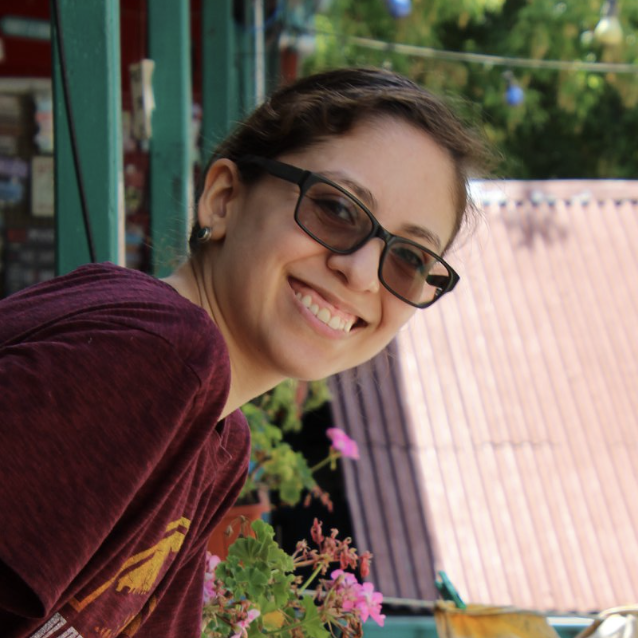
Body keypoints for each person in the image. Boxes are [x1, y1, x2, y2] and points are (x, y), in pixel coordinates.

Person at [0, 67, 489, 637]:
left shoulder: (218, 439)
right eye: (336, 209)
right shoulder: (163, 356)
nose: (360, 273)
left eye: (409, 259)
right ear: (224, 199)